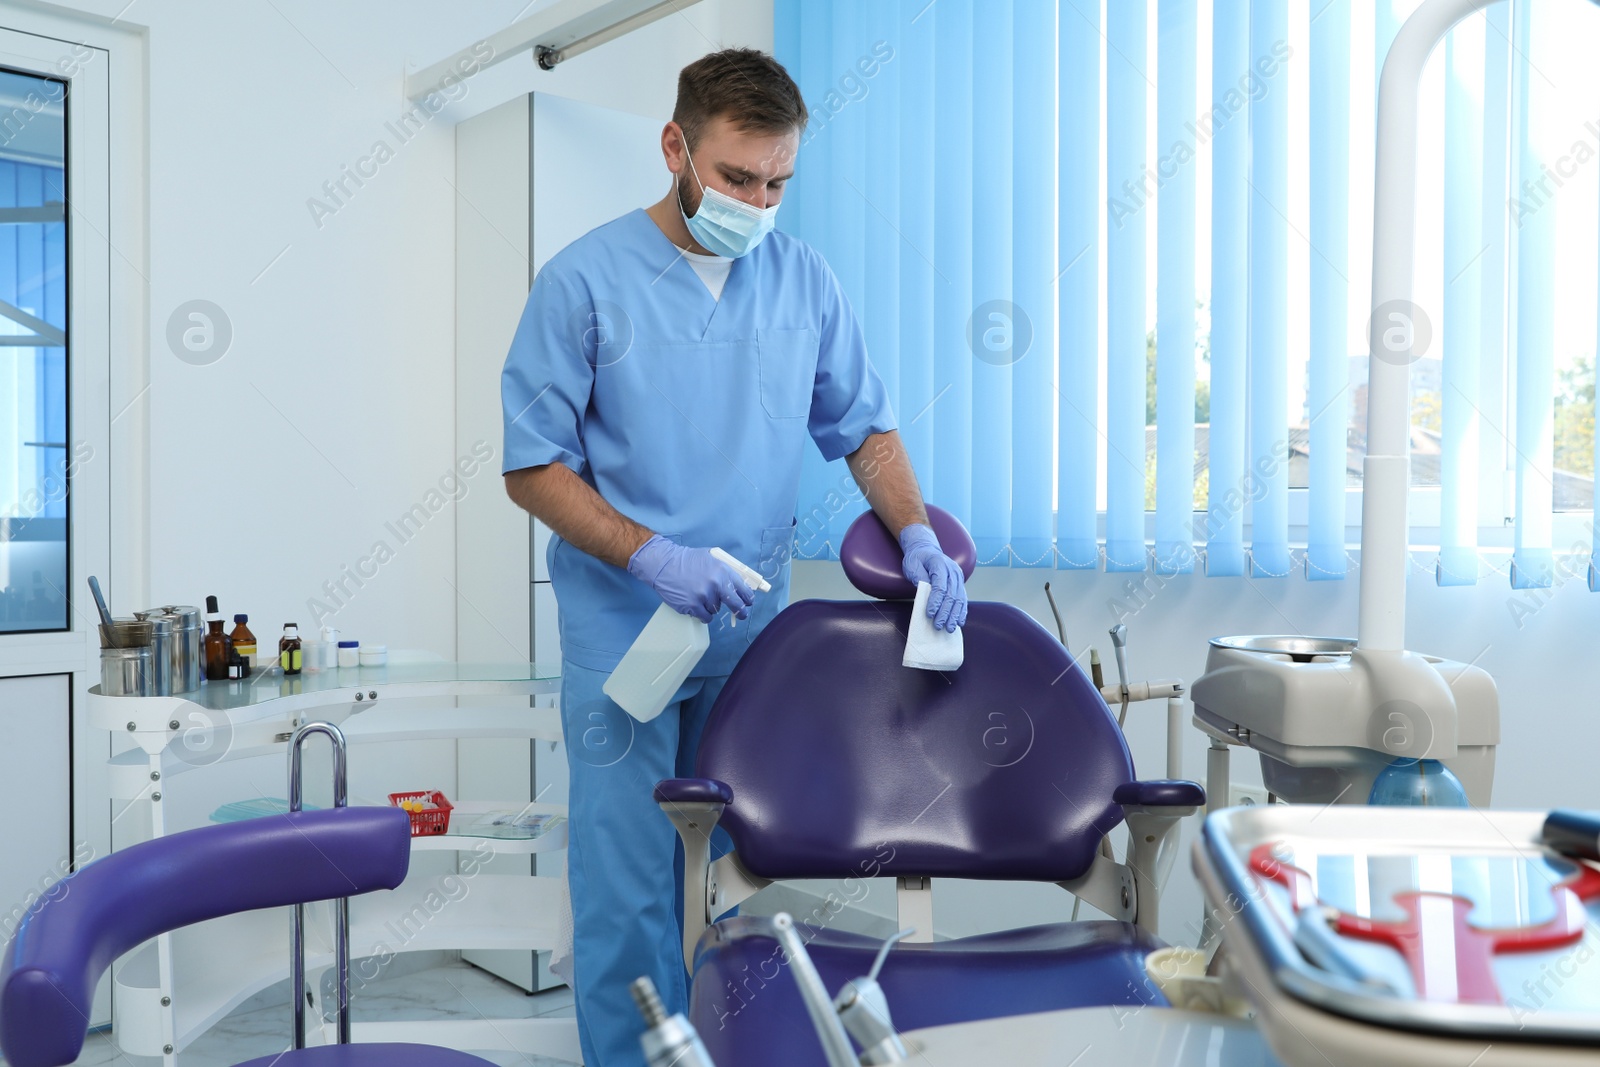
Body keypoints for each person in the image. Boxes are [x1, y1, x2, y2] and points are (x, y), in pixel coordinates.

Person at [500, 48, 968, 1066]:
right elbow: (531, 467)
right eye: (736, 177)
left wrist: (915, 530)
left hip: (752, 632)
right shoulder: (584, 279)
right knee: (627, 886)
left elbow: (865, 429)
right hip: (625, 631)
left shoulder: (800, 277)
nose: (757, 202)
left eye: (776, 181)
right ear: (675, 147)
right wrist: (648, 553)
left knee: (740, 876)